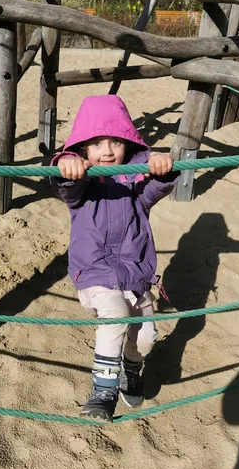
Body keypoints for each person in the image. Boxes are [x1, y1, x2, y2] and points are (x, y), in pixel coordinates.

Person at [50, 95, 180, 422]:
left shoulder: (135, 184)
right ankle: (102, 392)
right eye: (96, 144)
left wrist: (160, 169)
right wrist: (67, 168)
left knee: (147, 337)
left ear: (127, 145)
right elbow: (67, 185)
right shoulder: (83, 185)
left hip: (137, 274)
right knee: (115, 316)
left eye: (114, 142)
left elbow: (154, 186)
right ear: (83, 150)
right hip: (96, 271)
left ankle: (131, 370)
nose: (107, 151)